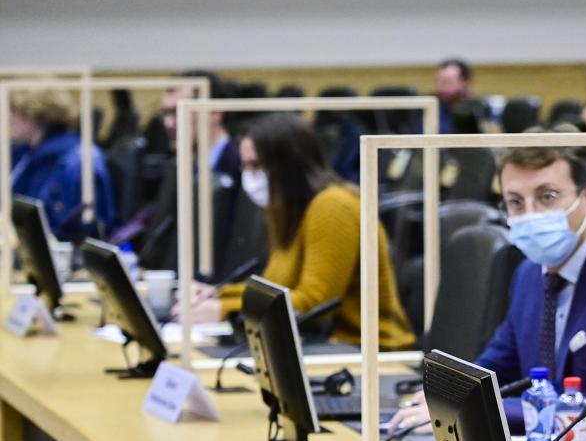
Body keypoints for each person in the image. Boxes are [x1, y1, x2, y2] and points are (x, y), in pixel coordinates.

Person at [390, 126, 586, 441]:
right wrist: (446, 398)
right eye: (515, 202)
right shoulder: (528, 272)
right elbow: (497, 365)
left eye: (547, 197)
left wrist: (474, 410)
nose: (529, 215)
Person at [179, 112, 414, 350]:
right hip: (327, 348)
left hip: (370, 352)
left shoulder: (333, 207)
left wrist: (224, 310)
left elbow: (313, 305)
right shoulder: (289, 211)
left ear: (290, 164)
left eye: (257, 165)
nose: (248, 175)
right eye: (245, 165)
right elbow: (273, 289)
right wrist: (216, 295)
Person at [132, 70, 244, 271]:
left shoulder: (242, 170)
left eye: (177, 112)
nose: (168, 123)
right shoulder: (179, 168)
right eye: (165, 114)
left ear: (214, 113)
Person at [10, 89, 117, 241]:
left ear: (33, 114)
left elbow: (66, 227)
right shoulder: (23, 152)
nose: (9, 118)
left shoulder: (73, 160)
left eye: (14, 111)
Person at [434, 58, 477, 134]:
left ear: (465, 82)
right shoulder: (432, 108)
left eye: (447, 82)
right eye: (438, 81)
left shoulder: (479, 111)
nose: (440, 88)